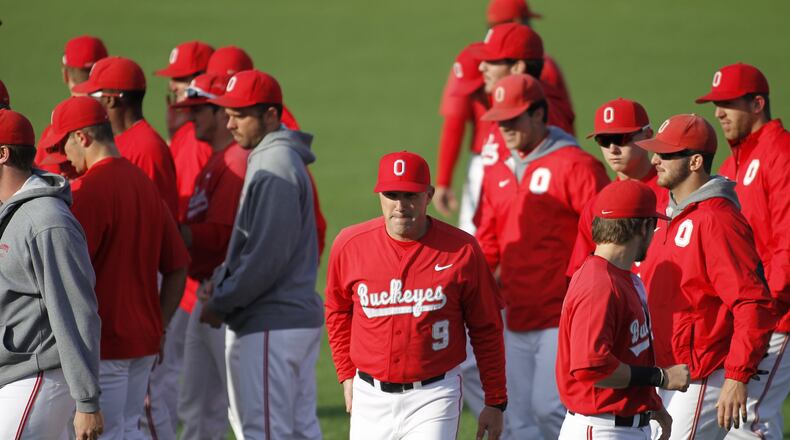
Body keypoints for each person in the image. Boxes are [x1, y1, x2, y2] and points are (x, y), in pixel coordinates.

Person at [325, 151, 507, 439]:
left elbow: (487, 327)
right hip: (369, 396)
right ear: (379, 196)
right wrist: (346, 373)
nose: (400, 205)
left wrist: (495, 400)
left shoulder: (462, 250)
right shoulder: (350, 244)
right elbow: (337, 310)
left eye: (410, 195)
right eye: (391, 194)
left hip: (435, 395)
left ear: (429, 195)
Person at [41, 96, 190, 439]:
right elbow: (178, 264)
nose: (64, 155)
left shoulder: (89, 190)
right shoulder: (144, 184)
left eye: (64, 143)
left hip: (104, 346)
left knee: (104, 433)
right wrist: (161, 326)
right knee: (128, 429)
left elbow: (68, 274)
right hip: (144, 342)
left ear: (83, 137)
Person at [475, 74, 609, 439]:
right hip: (514, 314)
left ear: (538, 114)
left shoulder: (577, 167)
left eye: (513, 118)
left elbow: (609, 240)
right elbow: (487, 240)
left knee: (551, 408)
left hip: (562, 313)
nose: (504, 128)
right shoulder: (498, 170)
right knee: (516, 417)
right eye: (499, 120)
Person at [634, 113, 775, 439]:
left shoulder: (717, 220)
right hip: (668, 373)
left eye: (666, 154)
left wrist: (736, 377)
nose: (654, 160)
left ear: (695, 161)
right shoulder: (667, 214)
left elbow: (752, 301)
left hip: (703, 373)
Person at [199, 69, 323, 439]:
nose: (230, 122)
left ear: (271, 115)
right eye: (228, 113)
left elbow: (267, 255)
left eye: (241, 114)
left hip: (272, 321)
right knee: (300, 431)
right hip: (288, 320)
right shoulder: (275, 158)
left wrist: (222, 300)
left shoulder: (274, 165)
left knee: (265, 433)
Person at [694, 63, 790, 440]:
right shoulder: (733, 162)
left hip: (776, 316)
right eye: (715, 104)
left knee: (750, 415)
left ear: (757, 104)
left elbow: (786, 242)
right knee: (735, 418)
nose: (717, 113)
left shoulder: (780, 152)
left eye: (727, 103)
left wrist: (762, 309)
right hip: (748, 317)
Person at [556, 179, 689, 440]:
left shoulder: (626, 279)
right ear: (643, 227)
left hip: (623, 424)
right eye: (654, 224)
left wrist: (652, 403)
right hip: (601, 428)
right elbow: (591, 368)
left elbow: (630, 353)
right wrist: (661, 377)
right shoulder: (598, 285)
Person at [0, 109, 103, 440]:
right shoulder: (11, 211)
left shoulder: (47, 221)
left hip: (38, 376)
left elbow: (75, 312)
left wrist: (87, 402)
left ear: (2, 154)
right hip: (15, 375)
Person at [170, 72, 248, 439]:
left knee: (242, 411)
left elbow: (223, 238)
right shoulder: (216, 161)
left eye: (199, 110)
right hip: (203, 293)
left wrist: (173, 231)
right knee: (197, 407)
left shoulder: (235, 163)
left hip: (225, 298)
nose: (190, 118)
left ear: (221, 114)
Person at [567, 98, 665, 276]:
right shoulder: (597, 205)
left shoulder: (672, 191)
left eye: (621, 138)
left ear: (648, 134)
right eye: (603, 140)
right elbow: (579, 273)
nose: (612, 149)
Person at [72, 56, 179, 218]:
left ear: (109, 100)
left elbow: (159, 221)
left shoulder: (147, 149)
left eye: (92, 96)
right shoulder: (110, 142)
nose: (87, 102)